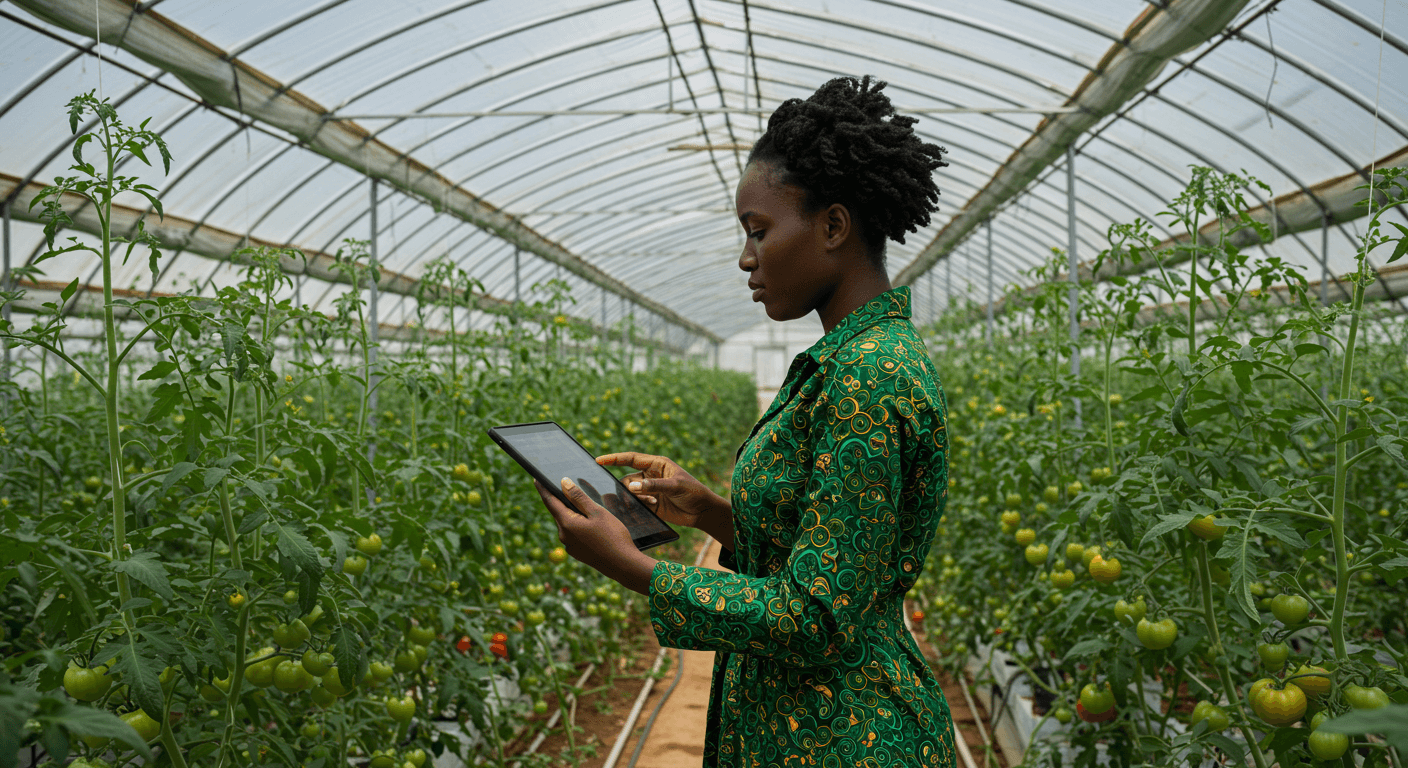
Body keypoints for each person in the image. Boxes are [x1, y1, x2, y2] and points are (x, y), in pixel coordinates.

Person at [535, 75, 955, 767]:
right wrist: (711, 512)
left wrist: (634, 568)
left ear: (833, 226)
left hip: (847, 738)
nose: (746, 258)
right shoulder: (851, 360)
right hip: (812, 727)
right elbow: (835, 559)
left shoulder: (869, 375)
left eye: (759, 231)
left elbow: (815, 620)